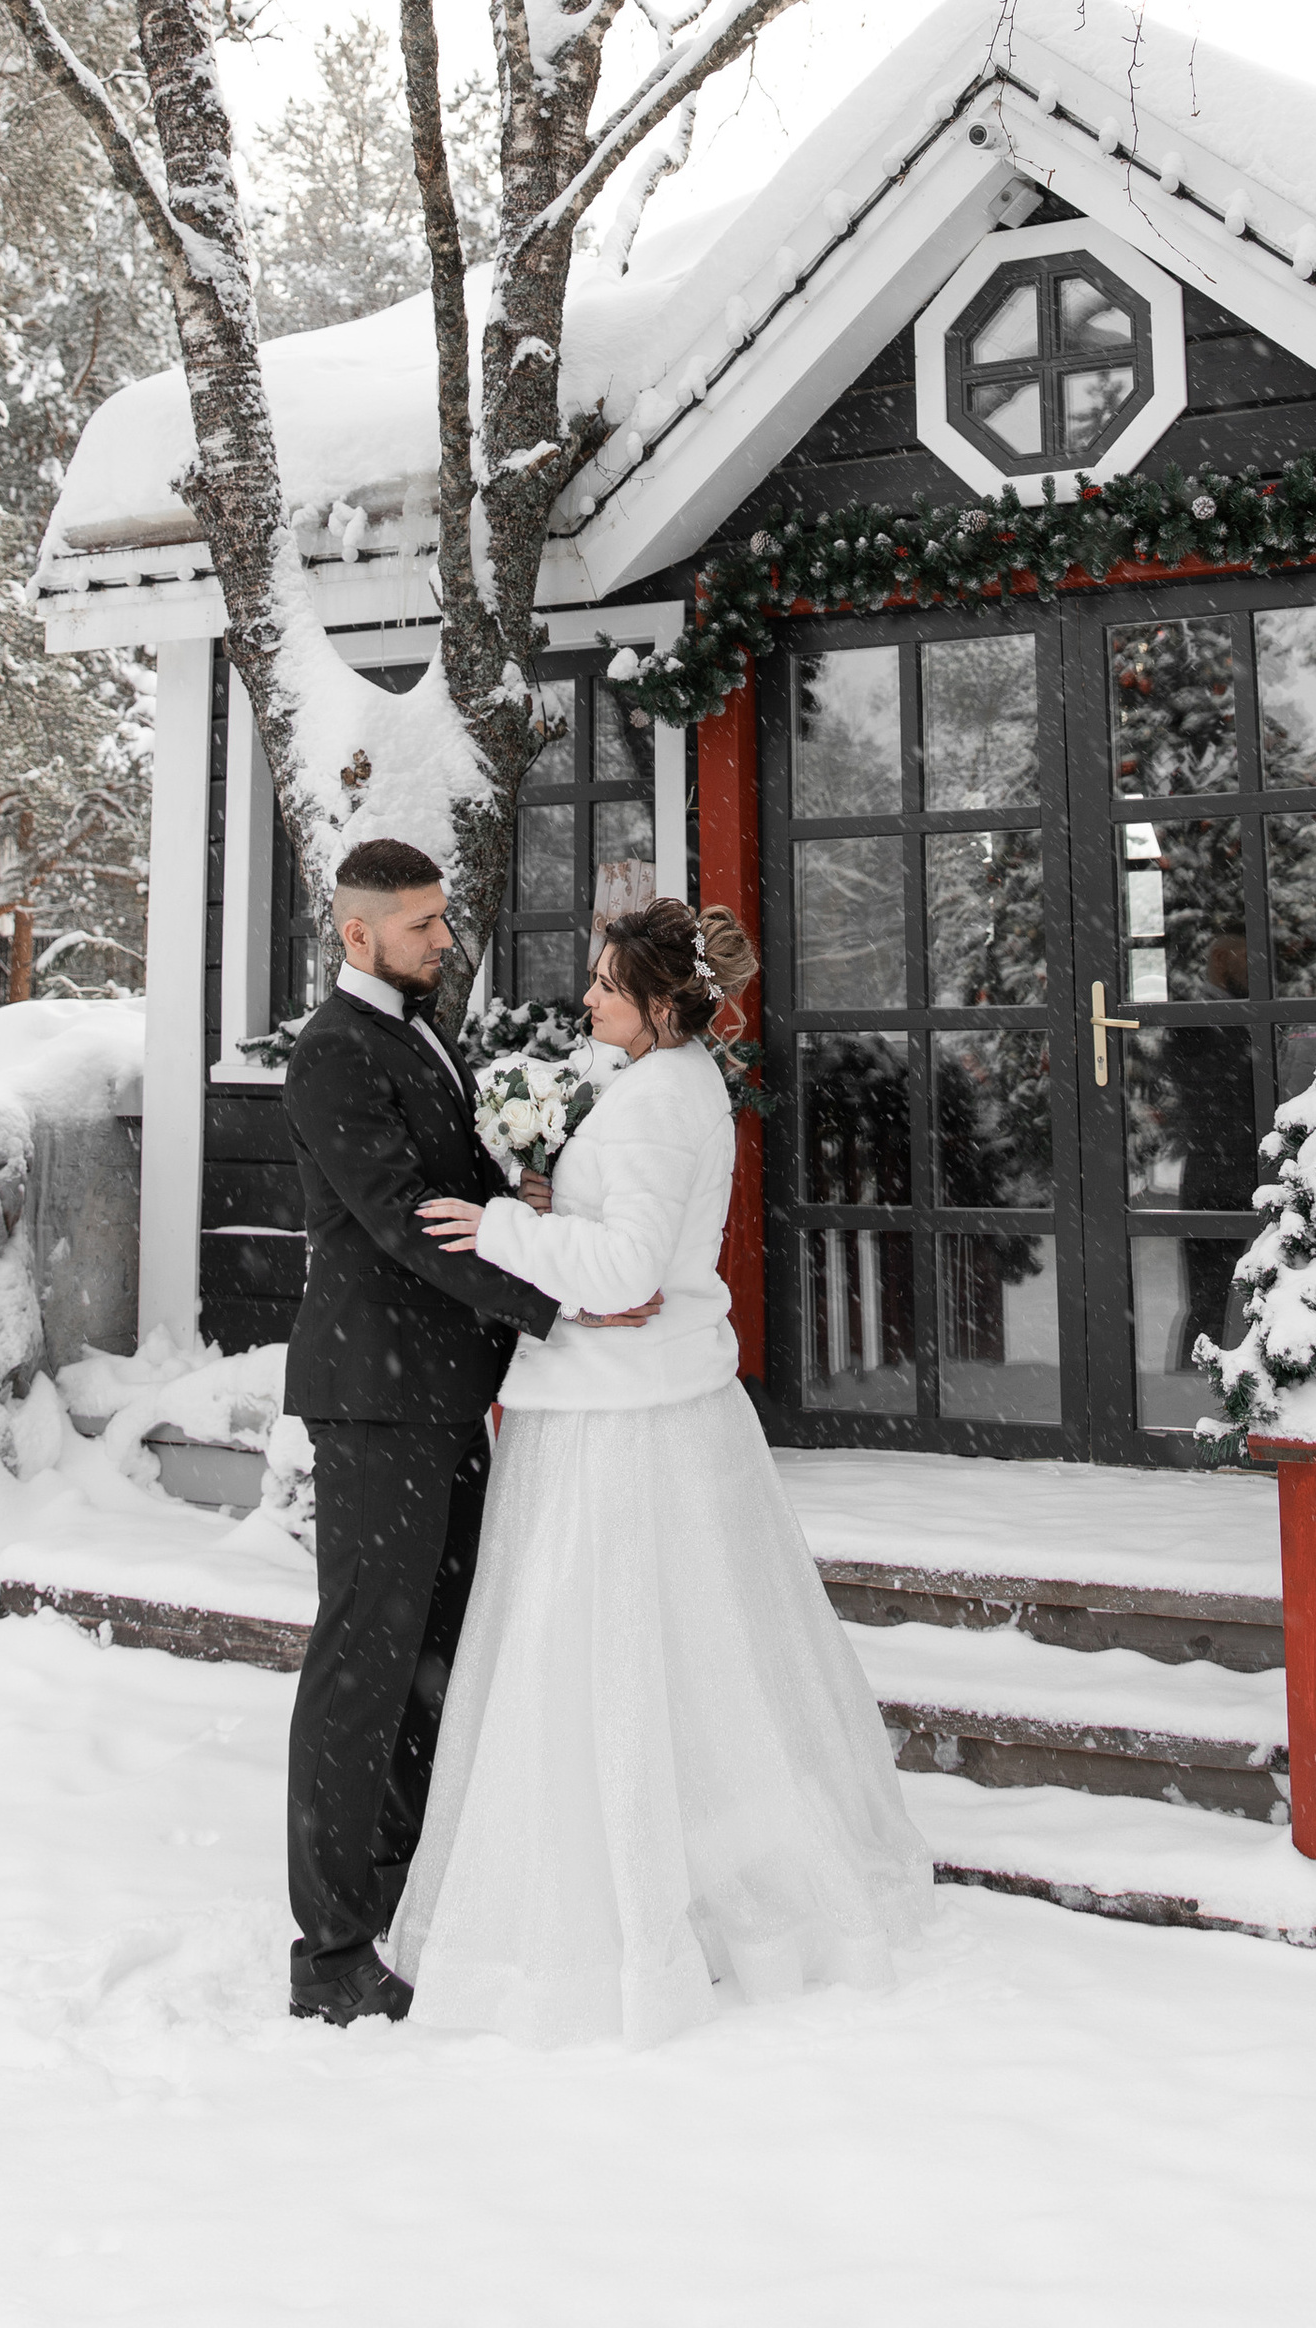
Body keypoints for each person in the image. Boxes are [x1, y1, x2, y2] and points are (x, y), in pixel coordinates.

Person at [393, 896, 933, 2048]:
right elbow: (628, 1249)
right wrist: (552, 1207)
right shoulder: (676, 1087)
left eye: (603, 988)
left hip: (615, 1420)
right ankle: (701, 1880)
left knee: (594, 1658)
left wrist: (497, 1227)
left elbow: (627, 1265)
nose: (583, 999)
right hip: (655, 1395)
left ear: (656, 1006)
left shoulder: (650, 1107)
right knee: (695, 1659)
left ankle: (617, 1923)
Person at [278, 836, 660, 2026]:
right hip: (377, 1404)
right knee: (362, 1668)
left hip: (442, 1395)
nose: (447, 939)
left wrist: (527, 1205)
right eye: (423, 925)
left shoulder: (414, 1029)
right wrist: (560, 1298)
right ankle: (330, 1950)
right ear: (358, 934)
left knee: (437, 1654)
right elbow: (402, 1223)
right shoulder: (334, 1055)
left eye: (443, 919)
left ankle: (400, 1885)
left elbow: (457, 1186)